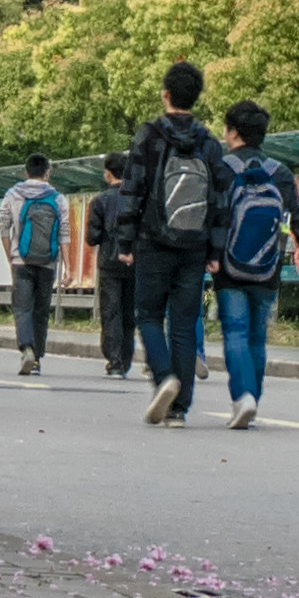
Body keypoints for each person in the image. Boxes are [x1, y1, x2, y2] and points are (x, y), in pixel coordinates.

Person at [122, 60, 229, 424]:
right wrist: (214, 250)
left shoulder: (149, 134)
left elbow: (132, 188)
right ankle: (179, 408)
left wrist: (124, 242)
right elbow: (220, 200)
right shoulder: (210, 144)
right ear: (196, 97)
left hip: (153, 241)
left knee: (148, 315)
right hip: (194, 246)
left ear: (165, 94)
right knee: (184, 324)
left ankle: (164, 376)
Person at [209, 97, 299, 428]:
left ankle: (242, 397)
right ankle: (252, 398)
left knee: (235, 331)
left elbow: (212, 216)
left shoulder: (223, 169)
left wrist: (208, 255)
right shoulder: (280, 173)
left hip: (229, 266)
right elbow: (297, 218)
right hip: (268, 265)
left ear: (232, 132)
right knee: (257, 335)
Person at [0, 153, 70, 379]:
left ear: (26, 171)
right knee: (41, 310)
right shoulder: (58, 198)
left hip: (22, 261)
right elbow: (64, 233)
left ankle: (27, 348)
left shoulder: (13, 194)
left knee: (22, 307)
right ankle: (37, 359)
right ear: (47, 172)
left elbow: (4, 227)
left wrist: (11, 255)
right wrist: (68, 266)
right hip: (48, 262)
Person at [86, 150, 146, 380]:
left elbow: (92, 237)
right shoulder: (138, 199)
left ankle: (115, 360)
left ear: (107, 174)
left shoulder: (100, 201)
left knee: (111, 311)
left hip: (109, 263)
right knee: (129, 312)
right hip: (135, 261)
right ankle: (126, 357)